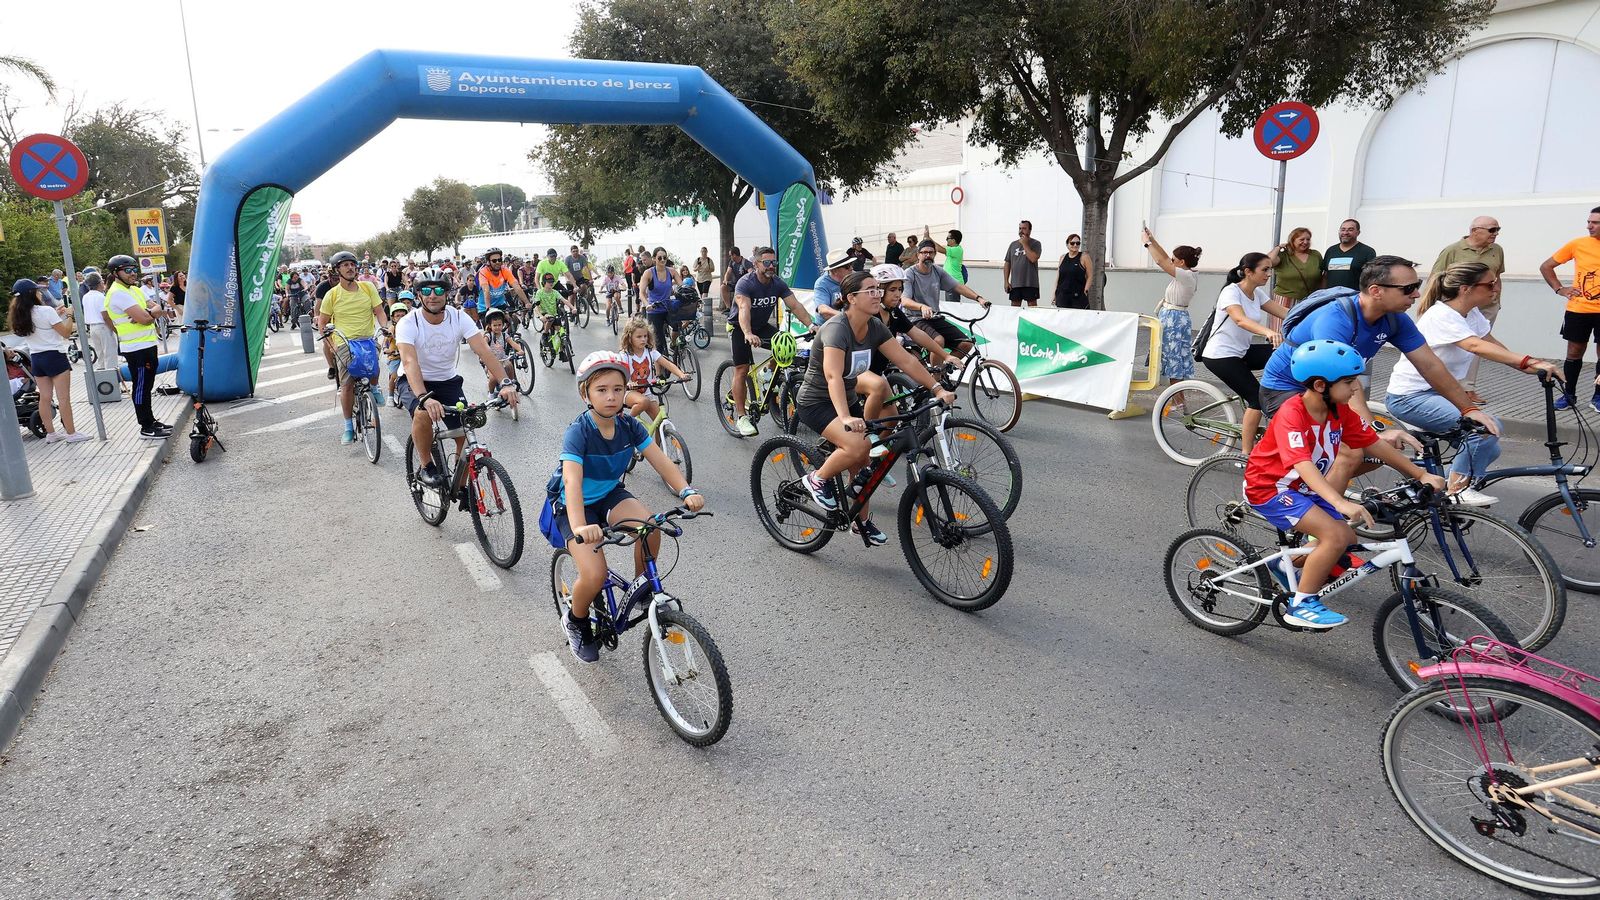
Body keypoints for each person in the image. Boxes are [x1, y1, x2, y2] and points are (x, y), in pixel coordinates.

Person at [1244, 340, 1445, 629]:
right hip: (1270, 489)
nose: (1356, 388)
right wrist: (1339, 501)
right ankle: (1300, 605)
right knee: (1336, 538)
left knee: (1346, 541)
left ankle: (1283, 565)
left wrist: (1420, 475)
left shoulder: (1339, 412)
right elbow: (1303, 465)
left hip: (1302, 489)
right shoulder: (1292, 414)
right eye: (1349, 381)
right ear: (1320, 385)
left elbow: (1373, 444)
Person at [1258, 255, 1499, 490]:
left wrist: (1469, 409)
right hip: (1288, 388)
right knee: (1350, 451)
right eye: (1409, 288)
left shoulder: (1396, 320)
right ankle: (1319, 517)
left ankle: (1315, 487)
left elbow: (1430, 365)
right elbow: (1341, 383)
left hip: (1336, 388)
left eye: (1417, 287)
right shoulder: (1335, 319)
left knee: (1381, 450)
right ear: (1376, 291)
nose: (1416, 294)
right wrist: (1371, 430)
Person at [546, 351, 703, 662]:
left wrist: (686, 489)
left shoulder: (629, 426)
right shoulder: (579, 432)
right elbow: (573, 484)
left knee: (651, 527)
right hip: (573, 507)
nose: (611, 397)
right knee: (594, 574)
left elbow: (660, 461)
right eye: (601, 390)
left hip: (608, 494)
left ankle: (643, 591)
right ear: (585, 393)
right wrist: (579, 526)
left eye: (618, 389)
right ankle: (575, 621)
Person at [792, 271, 958, 545]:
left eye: (876, 290)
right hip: (817, 401)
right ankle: (817, 479)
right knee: (859, 447)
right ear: (851, 298)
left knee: (862, 463)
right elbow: (833, 376)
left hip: (846, 398)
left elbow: (906, 360)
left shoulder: (875, 327)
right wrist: (845, 417)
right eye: (870, 290)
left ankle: (861, 522)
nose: (877, 294)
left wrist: (936, 388)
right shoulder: (837, 328)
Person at [1385, 262, 1561, 507]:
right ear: (1465, 288)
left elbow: (1490, 344)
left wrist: (1530, 367)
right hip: (1410, 397)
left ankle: (1427, 490)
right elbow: (1474, 346)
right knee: (1483, 430)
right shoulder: (1441, 315)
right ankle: (1457, 490)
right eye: (1489, 284)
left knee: (1489, 448)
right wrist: (1528, 360)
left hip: (1440, 394)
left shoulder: (1472, 314)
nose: (1496, 288)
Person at [397, 267, 517, 489]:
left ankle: (460, 488)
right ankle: (426, 467)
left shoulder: (459, 317)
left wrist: (506, 383)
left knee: (464, 435)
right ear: (419, 294)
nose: (433, 295)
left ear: (447, 293)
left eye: (438, 290)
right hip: (415, 381)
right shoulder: (408, 322)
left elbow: (485, 351)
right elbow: (409, 362)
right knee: (422, 414)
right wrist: (424, 397)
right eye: (426, 290)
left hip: (448, 381)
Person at [1198, 252, 1291, 456]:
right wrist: (1267, 332)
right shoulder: (1231, 292)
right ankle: (1246, 454)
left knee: (1287, 355)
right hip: (1220, 356)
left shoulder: (1257, 294)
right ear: (1248, 272)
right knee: (1257, 398)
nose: (1269, 274)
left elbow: (1285, 313)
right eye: (1265, 270)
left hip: (1241, 352)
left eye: (1270, 269)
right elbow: (1239, 319)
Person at [731, 247, 814, 435]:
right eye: (766, 262)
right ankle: (742, 417)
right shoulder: (745, 284)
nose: (771, 266)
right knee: (742, 369)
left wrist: (811, 325)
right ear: (756, 263)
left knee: (786, 346)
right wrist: (748, 333)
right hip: (740, 327)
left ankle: (767, 372)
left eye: (773, 263)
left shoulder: (777, 283)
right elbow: (743, 308)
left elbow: (795, 305)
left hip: (761, 326)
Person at [317, 250, 390, 445]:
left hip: (367, 338)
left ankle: (374, 388)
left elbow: (380, 312)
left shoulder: (367, 288)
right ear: (337, 270)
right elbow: (322, 323)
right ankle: (348, 426)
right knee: (347, 385)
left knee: (374, 365)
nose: (350, 268)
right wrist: (330, 343)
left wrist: (385, 327)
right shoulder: (332, 295)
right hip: (345, 343)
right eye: (345, 265)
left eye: (352, 264)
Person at [8, 279, 89, 443]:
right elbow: (65, 333)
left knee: (44, 397)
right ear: (32, 293)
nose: (40, 293)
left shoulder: (20, 314)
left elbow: (41, 326)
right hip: (55, 356)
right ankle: (71, 433)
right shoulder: (45, 311)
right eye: (38, 291)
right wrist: (68, 315)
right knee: (63, 398)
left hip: (37, 358)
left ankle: (51, 434)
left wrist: (56, 314)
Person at [1431, 216, 1506, 394]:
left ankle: (1468, 388)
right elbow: (1436, 277)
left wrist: (1497, 297)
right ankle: (1447, 385)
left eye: (1498, 230)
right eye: (1492, 230)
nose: (1495, 234)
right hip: (1458, 306)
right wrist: (1434, 304)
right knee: (1459, 346)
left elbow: (1498, 276)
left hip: (1486, 305)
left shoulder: (1497, 250)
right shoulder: (1453, 250)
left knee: (1479, 345)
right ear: (1475, 231)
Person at [104, 256, 174, 438]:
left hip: (147, 344)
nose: (132, 273)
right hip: (136, 348)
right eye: (127, 270)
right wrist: (149, 314)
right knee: (141, 386)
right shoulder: (118, 293)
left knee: (147, 384)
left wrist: (149, 313)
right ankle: (146, 425)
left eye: (134, 269)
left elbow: (157, 308)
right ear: (115, 273)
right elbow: (144, 318)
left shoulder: (134, 290)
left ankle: (151, 420)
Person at [1538, 206, 1600, 410]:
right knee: (1574, 353)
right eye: (1589, 222)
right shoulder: (1578, 244)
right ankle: (1569, 395)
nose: (1589, 226)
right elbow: (1546, 266)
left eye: (1595, 223)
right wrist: (1559, 289)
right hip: (1579, 310)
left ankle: (1598, 397)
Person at [903, 239, 991, 358]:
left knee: (966, 344)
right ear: (918, 255)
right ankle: (935, 376)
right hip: (916, 319)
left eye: (931, 252)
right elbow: (904, 301)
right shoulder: (910, 273)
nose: (928, 255)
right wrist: (921, 306)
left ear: (934, 254)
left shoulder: (937, 271)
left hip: (935, 317)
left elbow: (958, 287)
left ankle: (944, 370)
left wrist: (979, 298)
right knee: (938, 341)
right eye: (924, 252)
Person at [1142, 227, 1199, 386]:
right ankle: (1177, 400)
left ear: (1182, 262)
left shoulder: (1185, 275)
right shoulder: (1186, 274)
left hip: (1174, 319)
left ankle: (1177, 400)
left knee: (1174, 358)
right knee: (1174, 356)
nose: (1171, 262)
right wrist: (1152, 240)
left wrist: (1147, 244)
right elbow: (1165, 258)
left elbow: (1161, 261)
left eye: (1174, 260)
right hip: (1174, 317)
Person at [619, 319, 689, 422]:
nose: (643, 339)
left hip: (647, 392)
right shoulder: (625, 355)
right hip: (629, 392)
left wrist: (681, 374)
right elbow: (620, 374)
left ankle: (660, 437)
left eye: (645, 336)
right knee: (643, 402)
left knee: (660, 421)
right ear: (630, 338)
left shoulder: (650, 352)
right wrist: (628, 382)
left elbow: (668, 364)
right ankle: (626, 423)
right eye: (639, 337)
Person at [638, 247, 683, 352]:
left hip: (668, 308)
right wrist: (647, 304)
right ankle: (659, 366)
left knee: (678, 325)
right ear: (654, 259)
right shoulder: (649, 273)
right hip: (654, 310)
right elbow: (641, 292)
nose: (663, 260)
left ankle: (673, 343)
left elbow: (683, 287)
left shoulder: (671, 272)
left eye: (665, 257)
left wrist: (690, 296)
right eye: (660, 258)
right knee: (659, 345)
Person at [1266, 227, 1322, 308]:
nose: (1305, 242)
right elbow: (1268, 262)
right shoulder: (1284, 255)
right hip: (1284, 300)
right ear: (1292, 240)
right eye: (1302, 239)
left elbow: (1322, 275)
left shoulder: (1315, 255)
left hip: (1309, 300)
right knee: (1284, 320)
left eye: (1308, 239)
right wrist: (1278, 248)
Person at [479, 248, 532, 327]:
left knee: (514, 320)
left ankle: (508, 336)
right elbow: (486, 291)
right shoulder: (484, 272)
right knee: (490, 330)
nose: (497, 262)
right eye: (494, 261)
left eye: (499, 260)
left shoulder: (505, 270)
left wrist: (527, 302)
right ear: (488, 262)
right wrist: (489, 309)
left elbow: (516, 287)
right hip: (485, 307)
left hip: (500, 304)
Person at [1320, 219, 1376, 292]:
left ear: (1358, 233)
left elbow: (1371, 278)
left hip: (1354, 299)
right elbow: (1325, 276)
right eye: (1343, 230)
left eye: (1350, 230)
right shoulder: (1331, 251)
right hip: (1331, 299)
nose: (1345, 233)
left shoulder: (1367, 251)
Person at [479, 308, 525, 396]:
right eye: (495, 325)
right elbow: (483, 346)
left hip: (503, 359)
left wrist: (520, 350)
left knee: (510, 366)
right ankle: (491, 393)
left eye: (499, 325)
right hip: (491, 362)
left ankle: (510, 385)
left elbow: (513, 343)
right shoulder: (489, 335)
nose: (497, 327)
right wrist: (482, 357)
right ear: (490, 325)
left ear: (503, 325)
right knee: (493, 379)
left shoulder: (504, 335)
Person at [80, 272, 117, 370]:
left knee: (100, 354)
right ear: (100, 283)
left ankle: (103, 378)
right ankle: (112, 379)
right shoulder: (100, 297)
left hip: (92, 327)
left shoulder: (86, 296)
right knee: (110, 354)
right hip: (103, 326)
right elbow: (105, 316)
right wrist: (115, 329)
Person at [1003, 220, 1043, 307]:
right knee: (1014, 308)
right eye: (1020, 228)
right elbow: (1007, 263)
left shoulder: (1036, 243)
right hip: (1015, 284)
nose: (1021, 231)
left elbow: (1033, 258)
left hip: (1030, 283)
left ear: (1029, 230)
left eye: (1024, 228)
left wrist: (1024, 244)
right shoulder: (1013, 244)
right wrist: (1006, 281)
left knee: (1032, 308)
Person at [535, 273, 574, 358]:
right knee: (550, 318)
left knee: (560, 332)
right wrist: (540, 316)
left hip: (554, 314)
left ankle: (561, 352)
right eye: (549, 282)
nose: (551, 283)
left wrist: (573, 308)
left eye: (552, 281)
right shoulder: (539, 292)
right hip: (544, 314)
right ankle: (544, 335)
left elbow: (565, 301)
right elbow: (536, 307)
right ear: (544, 283)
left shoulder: (555, 292)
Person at [1051, 234, 1092, 309]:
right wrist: (1054, 294)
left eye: (1078, 243)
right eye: (1072, 243)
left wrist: (1086, 290)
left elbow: (1090, 276)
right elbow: (1058, 277)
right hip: (1062, 295)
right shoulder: (1062, 257)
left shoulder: (1084, 257)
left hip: (1078, 296)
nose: (1075, 245)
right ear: (1067, 245)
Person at [812, 251, 855, 317]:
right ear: (834, 271)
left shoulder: (853, 276)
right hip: (831, 325)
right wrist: (847, 317)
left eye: (851, 264)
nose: (851, 268)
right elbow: (823, 309)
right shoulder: (822, 284)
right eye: (847, 266)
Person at [382, 300, 409, 403]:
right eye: (398, 316)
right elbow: (385, 342)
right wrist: (386, 349)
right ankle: (390, 396)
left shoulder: (410, 327)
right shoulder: (393, 328)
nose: (401, 318)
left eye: (403, 315)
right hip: (395, 356)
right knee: (394, 375)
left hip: (407, 355)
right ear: (393, 318)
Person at [721, 247, 752, 321]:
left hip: (743, 285)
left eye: (730, 255)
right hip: (734, 283)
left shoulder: (746, 262)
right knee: (723, 287)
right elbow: (728, 272)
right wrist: (725, 280)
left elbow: (751, 274)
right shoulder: (732, 262)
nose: (730, 257)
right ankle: (729, 308)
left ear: (734, 255)